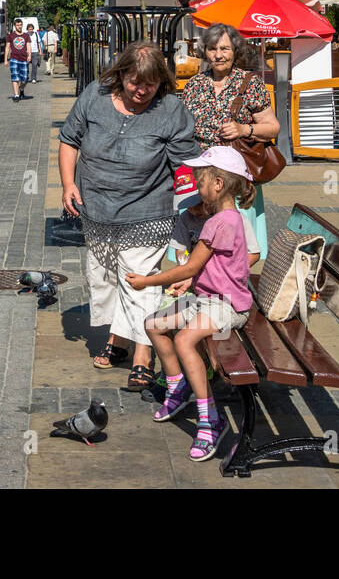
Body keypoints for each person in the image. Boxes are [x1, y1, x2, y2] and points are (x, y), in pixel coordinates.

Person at [59, 41, 199, 390]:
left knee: (138, 280)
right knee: (106, 277)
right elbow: (69, 139)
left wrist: (197, 207)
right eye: (135, 82)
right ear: (121, 75)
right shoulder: (95, 94)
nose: (142, 91)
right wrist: (66, 185)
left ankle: (143, 353)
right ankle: (119, 338)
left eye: (150, 84)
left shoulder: (170, 110)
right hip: (97, 209)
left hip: (147, 210)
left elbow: (186, 164)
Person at [128, 147, 256, 461]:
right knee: (154, 324)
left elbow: (188, 266)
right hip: (208, 298)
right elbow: (209, 267)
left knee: (185, 340)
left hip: (227, 305)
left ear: (218, 184)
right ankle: (178, 388)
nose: (197, 190)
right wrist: (191, 280)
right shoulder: (225, 217)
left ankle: (211, 419)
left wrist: (146, 282)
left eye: (200, 183)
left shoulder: (219, 223)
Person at [179, 23, 280, 259]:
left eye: (224, 48)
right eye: (213, 49)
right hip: (201, 174)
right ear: (205, 52)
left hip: (234, 175)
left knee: (232, 243)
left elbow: (273, 127)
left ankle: (231, 286)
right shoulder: (195, 85)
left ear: (235, 50)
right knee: (198, 238)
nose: (218, 55)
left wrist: (244, 129)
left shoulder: (250, 83)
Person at [4, 19, 31, 102]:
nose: (19, 26)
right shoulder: (11, 36)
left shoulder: (26, 36)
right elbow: (7, 48)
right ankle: (16, 95)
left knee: (25, 79)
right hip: (14, 59)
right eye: (18, 25)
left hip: (24, 59)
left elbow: (28, 46)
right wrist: (5, 59)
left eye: (20, 24)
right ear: (15, 26)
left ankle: (21, 88)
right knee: (15, 77)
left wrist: (29, 55)